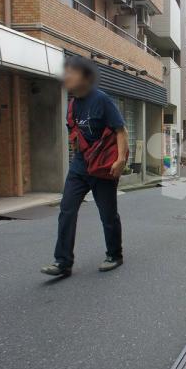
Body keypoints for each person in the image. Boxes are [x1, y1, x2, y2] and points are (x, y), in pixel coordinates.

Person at [41, 56, 129, 277]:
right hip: (80, 165)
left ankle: (114, 254)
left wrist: (120, 160)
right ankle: (62, 262)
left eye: (71, 72)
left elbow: (121, 130)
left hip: (103, 166)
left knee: (107, 214)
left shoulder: (102, 100)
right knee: (67, 210)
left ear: (85, 76)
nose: (66, 76)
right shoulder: (72, 104)